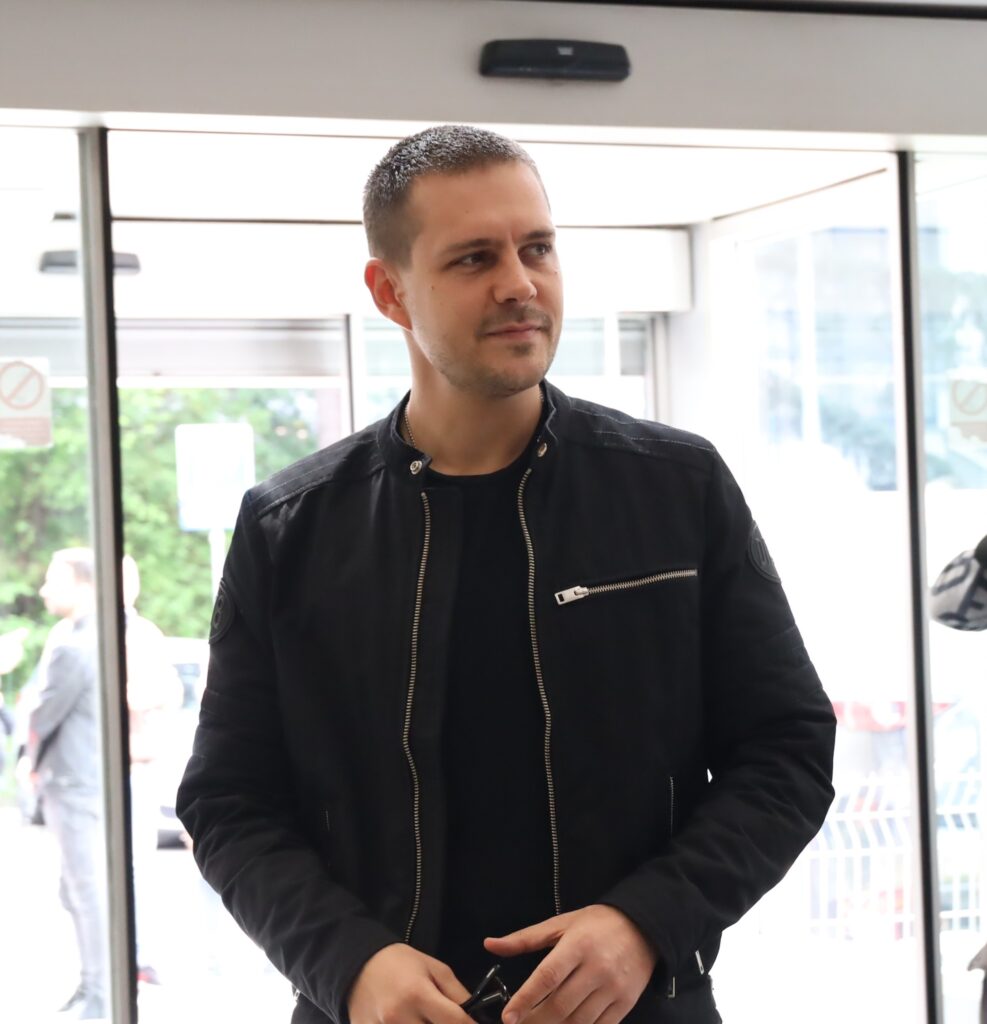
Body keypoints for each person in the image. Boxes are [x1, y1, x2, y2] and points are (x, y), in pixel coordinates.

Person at [177, 125, 836, 1024]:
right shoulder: (291, 526)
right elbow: (229, 802)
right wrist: (350, 964)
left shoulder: (675, 488)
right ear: (390, 291)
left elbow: (786, 750)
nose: (520, 283)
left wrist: (645, 921)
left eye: (537, 249)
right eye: (474, 258)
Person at [28, 547, 107, 1020]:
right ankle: (94, 986)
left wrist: (27, 759)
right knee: (77, 889)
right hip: (83, 780)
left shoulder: (75, 645)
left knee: (85, 890)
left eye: (53, 581)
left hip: (73, 783)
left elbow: (42, 714)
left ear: (82, 584)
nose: (43, 591)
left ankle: (99, 995)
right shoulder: (89, 637)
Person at [122, 553, 183, 987]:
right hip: (101, 768)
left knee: (137, 866)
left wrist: (134, 697)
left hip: (136, 765)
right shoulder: (90, 633)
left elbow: (169, 692)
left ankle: (141, 957)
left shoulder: (143, 634)